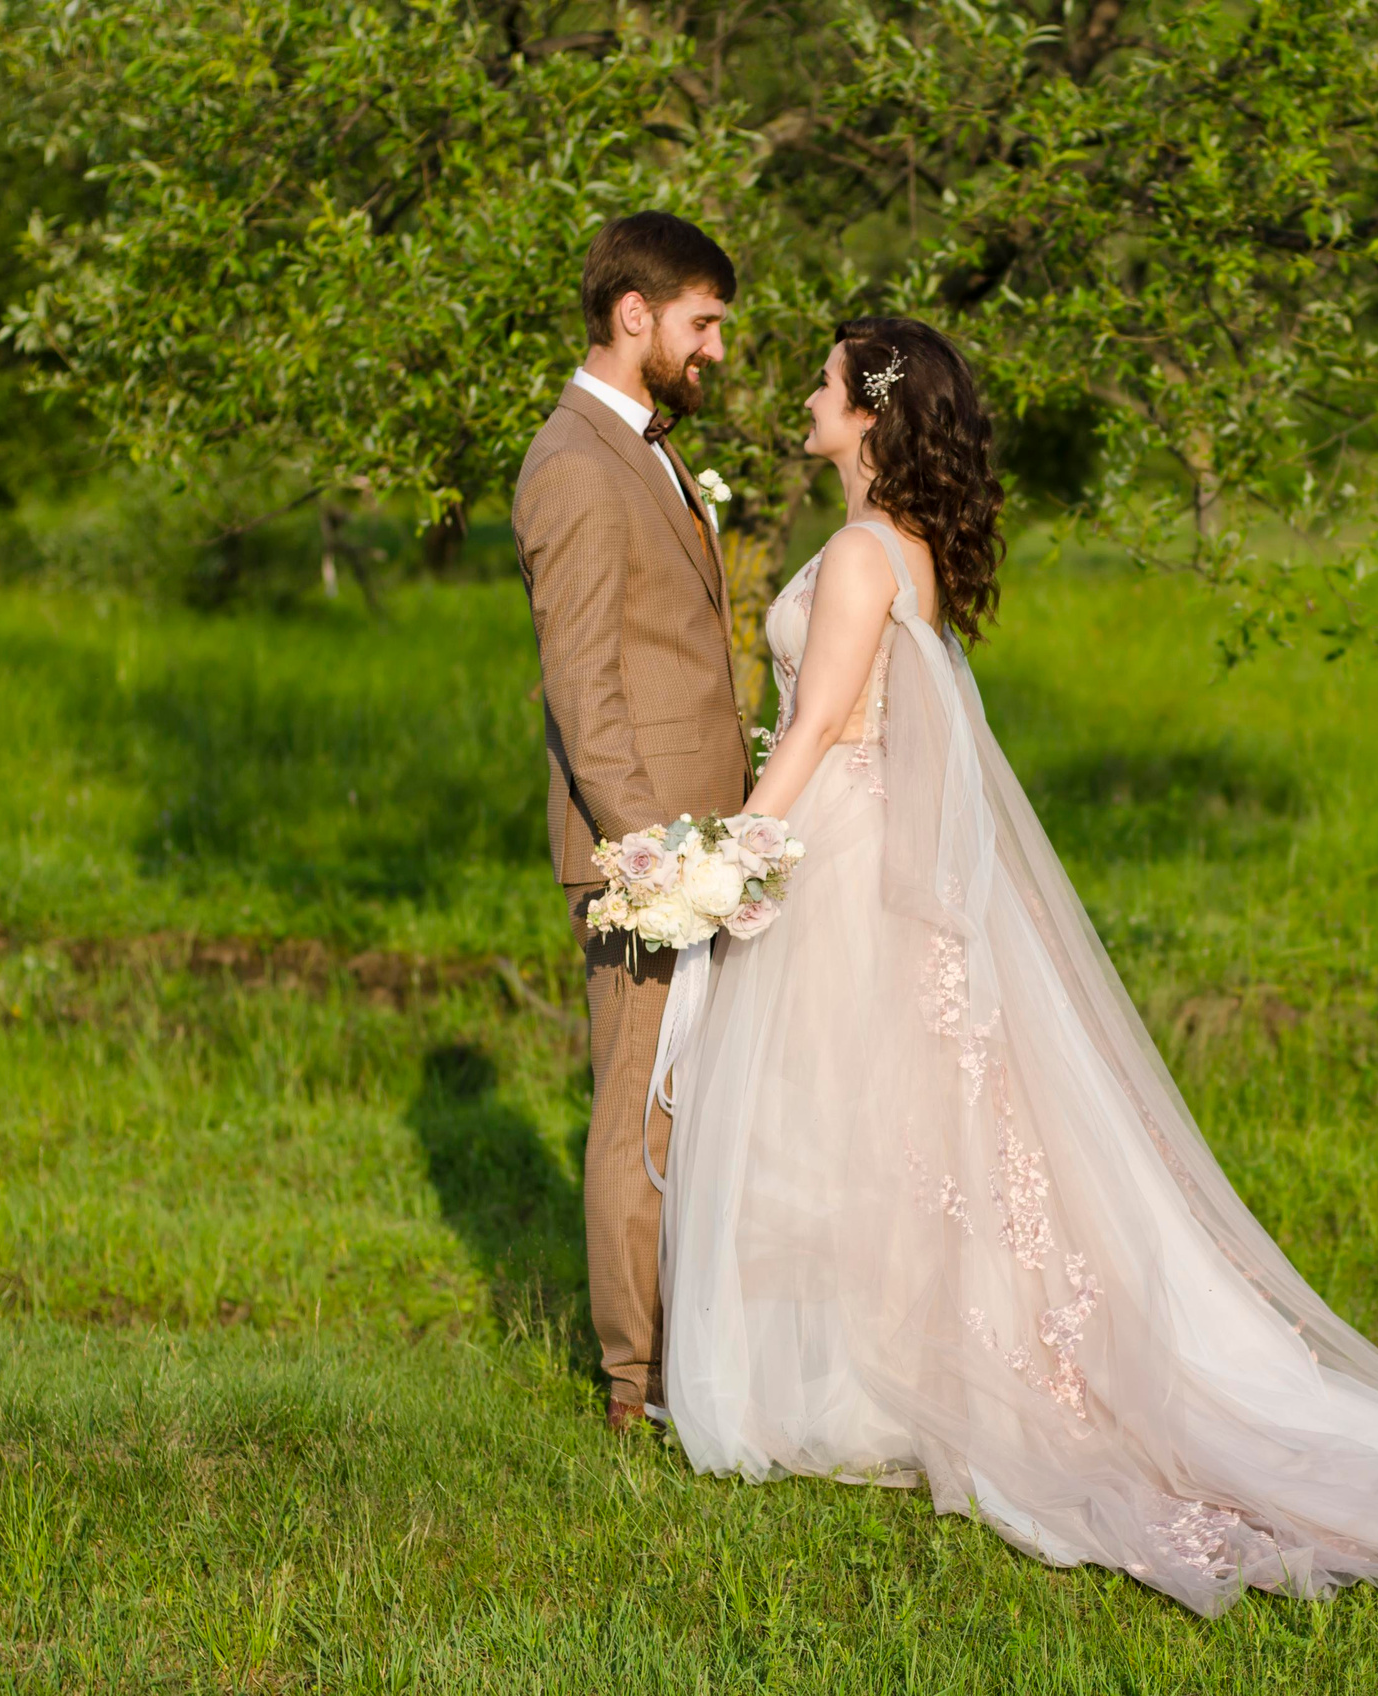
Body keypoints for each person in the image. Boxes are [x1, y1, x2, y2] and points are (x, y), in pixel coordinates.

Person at [653, 313, 1378, 1615]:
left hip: (833, 846)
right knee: (884, 1129)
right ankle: (856, 1372)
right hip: (872, 851)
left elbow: (818, 721)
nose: (803, 396)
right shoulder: (912, 552)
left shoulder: (868, 552)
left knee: (846, 1123)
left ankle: (839, 1382)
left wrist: (734, 855)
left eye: (824, 381)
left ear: (868, 410)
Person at [511, 212, 747, 1436]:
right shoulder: (574, 462)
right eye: (703, 325)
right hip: (641, 859)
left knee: (694, 1108)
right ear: (635, 315)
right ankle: (633, 1384)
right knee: (638, 1114)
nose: (715, 351)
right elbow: (583, 685)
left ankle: (691, 1352)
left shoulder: (646, 451)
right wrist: (653, 857)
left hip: (703, 847)